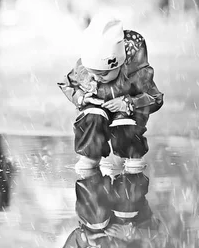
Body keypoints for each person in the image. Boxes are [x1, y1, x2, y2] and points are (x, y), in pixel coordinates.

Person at [58, 15, 164, 172]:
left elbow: (155, 98)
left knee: (124, 122)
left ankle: (132, 153)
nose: (96, 78)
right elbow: (69, 84)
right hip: (99, 110)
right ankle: (90, 153)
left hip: (126, 111)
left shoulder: (135, 71)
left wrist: (127, 104)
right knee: (92, 115)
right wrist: (81, 97)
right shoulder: (85, 68)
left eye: (103, 74)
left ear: (119, 65)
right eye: (93, 74)